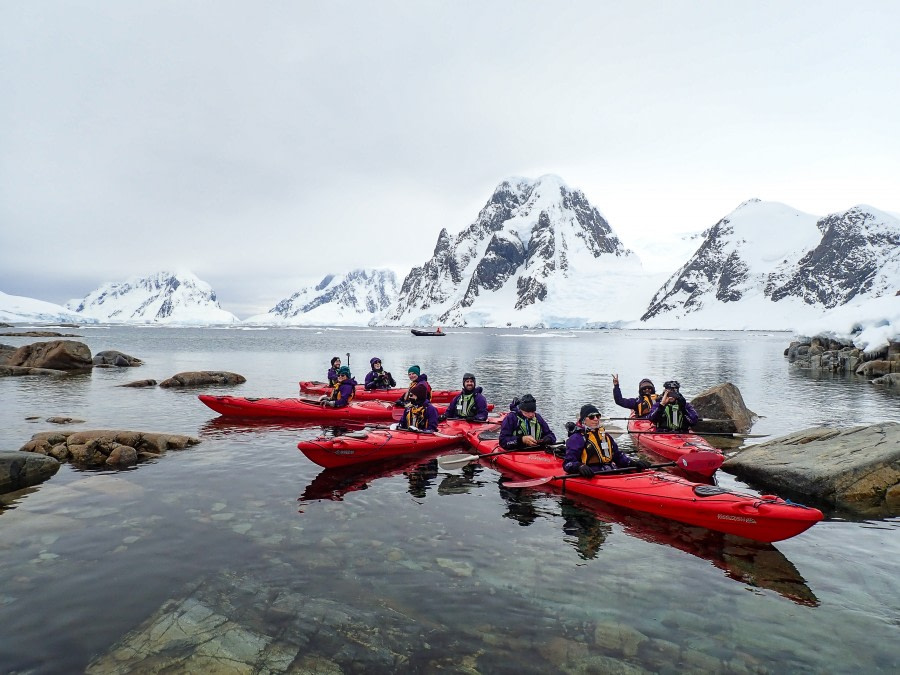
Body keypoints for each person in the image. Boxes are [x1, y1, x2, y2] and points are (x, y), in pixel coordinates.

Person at [563, 404, 651, 476]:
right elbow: (567, 464)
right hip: (592, 474)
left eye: (598, 416)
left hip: (609, 470)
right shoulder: (576, 438)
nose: (596, 419)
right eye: (591, 417)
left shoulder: (605, 435)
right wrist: (579, 466)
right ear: (583, 420)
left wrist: (632, 463)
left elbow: (618, 456)